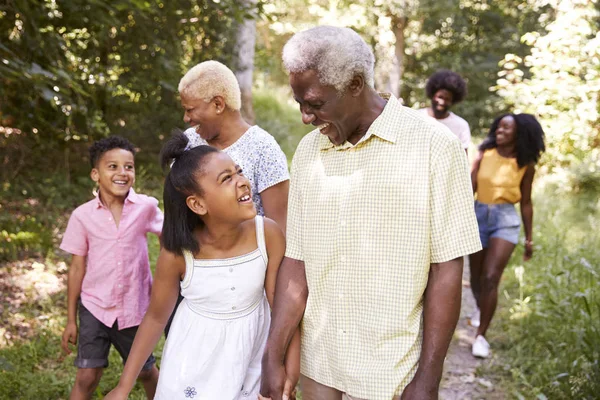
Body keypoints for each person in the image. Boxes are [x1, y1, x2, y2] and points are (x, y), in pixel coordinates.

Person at [260, 26, 481, 400]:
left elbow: (446, 269)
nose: (305, 117)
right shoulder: (309, 153)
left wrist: (428, 378)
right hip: (320, 361)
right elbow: (296, 263)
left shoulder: (434, 148)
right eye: (299, 102)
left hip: (392, 370)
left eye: (314, 103)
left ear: (356, 84)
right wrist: (273, 355)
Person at [104, 133, 299, 400]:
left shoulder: (267, 234)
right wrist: (124, 386)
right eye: (226, 179)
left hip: (251, 358)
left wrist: (288, 366)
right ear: (197, 204)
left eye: (238, 172)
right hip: (193, 361)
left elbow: (282, 307)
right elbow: (156, 317)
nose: (243, 182)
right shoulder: (178, 254)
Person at [164, 60, 291, 336]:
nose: (186, 118)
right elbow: (176, 213)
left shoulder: (263, 149)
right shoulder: (189, 144)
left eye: (190, 109)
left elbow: (280, 229)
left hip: (245, 287)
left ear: (218, 104)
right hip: (196, 279)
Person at [60, 136, 163, 399]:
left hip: (133, 307)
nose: (122, 173)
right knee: (87, 375)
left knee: (144, 371)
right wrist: (71, 319)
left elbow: (170, 241)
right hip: (95, 307)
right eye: (113, 166)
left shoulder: (146, 207)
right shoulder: (82, 216)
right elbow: (76, 269)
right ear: (96, 174)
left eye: (129, 167)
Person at [469, 113, 545, 358]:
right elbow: (470, 186)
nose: (499, 130)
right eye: (498, 126)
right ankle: (481, 308)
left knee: (491, 277)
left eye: (506, 128)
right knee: (477, 277)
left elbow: (526, 203)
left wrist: (529, 239)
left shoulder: (525, 164)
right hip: (478, 215)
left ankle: (481, 336)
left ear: (518, 133)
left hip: (506, 220)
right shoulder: (484, 153)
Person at [419, 70, 471, 153]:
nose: (442, 102)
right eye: (440, 97)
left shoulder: (461, 125)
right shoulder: (417, 117)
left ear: (453, 101)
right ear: (432, 95)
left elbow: (463, 157)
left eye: (447, 99)